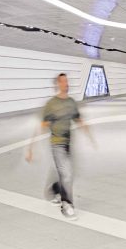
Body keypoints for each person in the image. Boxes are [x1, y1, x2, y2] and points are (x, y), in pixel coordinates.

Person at [26, 72, 95, 219]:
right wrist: (31, 148)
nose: (66, 84)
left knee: (66, 173)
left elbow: (78, 119)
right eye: (63, 82)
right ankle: (67, 205)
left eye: (67, 81)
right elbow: (41, 126)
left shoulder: (71, 102)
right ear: (57, 84)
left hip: (67, 144)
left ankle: (53, 190)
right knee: (67, 174)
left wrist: (89, 136)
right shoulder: (51, 104)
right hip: (56, 144)